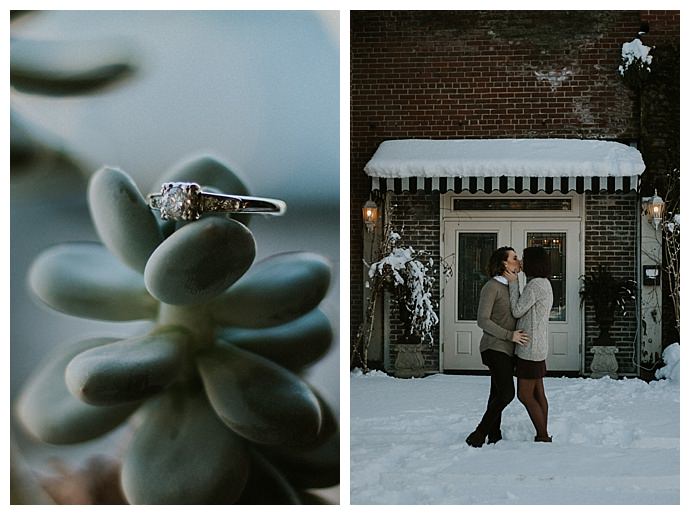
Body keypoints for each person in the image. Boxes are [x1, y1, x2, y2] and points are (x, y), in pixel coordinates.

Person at [465, 246, 529, 448]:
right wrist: (510, 335)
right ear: (504, 263)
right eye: (514, 258)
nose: (518, 261)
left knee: (496, 393)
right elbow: (482, 320)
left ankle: (494, 433)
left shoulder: (512, 286)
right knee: (507, 393)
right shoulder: (491, 287)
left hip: (508, 349)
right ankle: (479, 432)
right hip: (494, 347)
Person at [503, 246, 554, 443]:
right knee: (538, 391)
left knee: (525, 395)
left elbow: (517, 310)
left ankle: (542, 435)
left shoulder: (535, 286)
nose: (521, 262)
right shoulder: (545, 283)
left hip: (529, 347)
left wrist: (514, 283)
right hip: (538, 345)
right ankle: (543, 432)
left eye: (524, 259)